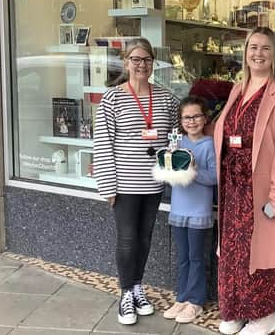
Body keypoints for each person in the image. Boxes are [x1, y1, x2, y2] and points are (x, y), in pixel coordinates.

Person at [213, 27, 275, 335]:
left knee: (261, 253)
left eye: (265, 48)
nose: (258, 53)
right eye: (253, 47)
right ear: (245, 52)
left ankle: (263, 315)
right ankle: (236, 310)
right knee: (235, 253)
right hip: (234, 189)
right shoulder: (237, 89)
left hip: (263, 192)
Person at [93, 37, 179, 325]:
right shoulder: (113, 97)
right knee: (127, 240)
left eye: (147, 60)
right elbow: (103, 143)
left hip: (153, 183)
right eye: (136, 59)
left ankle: (138, 285)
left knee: (144, 238)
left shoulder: (166, 97)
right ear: (126, 62)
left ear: (153, 63)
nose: (142, 65)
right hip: (124, 184)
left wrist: (175, 159)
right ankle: (125, 293)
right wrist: (107, 185)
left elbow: (179, 132)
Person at [163, 96, 217, 324]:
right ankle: (182, 296)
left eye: (196, 116)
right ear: (180, 121)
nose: (192, 121)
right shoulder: (178, 144)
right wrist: (166, 164)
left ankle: (196, 300)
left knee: (196, 258)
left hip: (199, 212)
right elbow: (168, 177)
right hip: (178, 210)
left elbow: (215, 176)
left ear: (205, 118)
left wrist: (194, 170)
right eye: (187, 117)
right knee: (183, 257)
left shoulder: (209, 145)